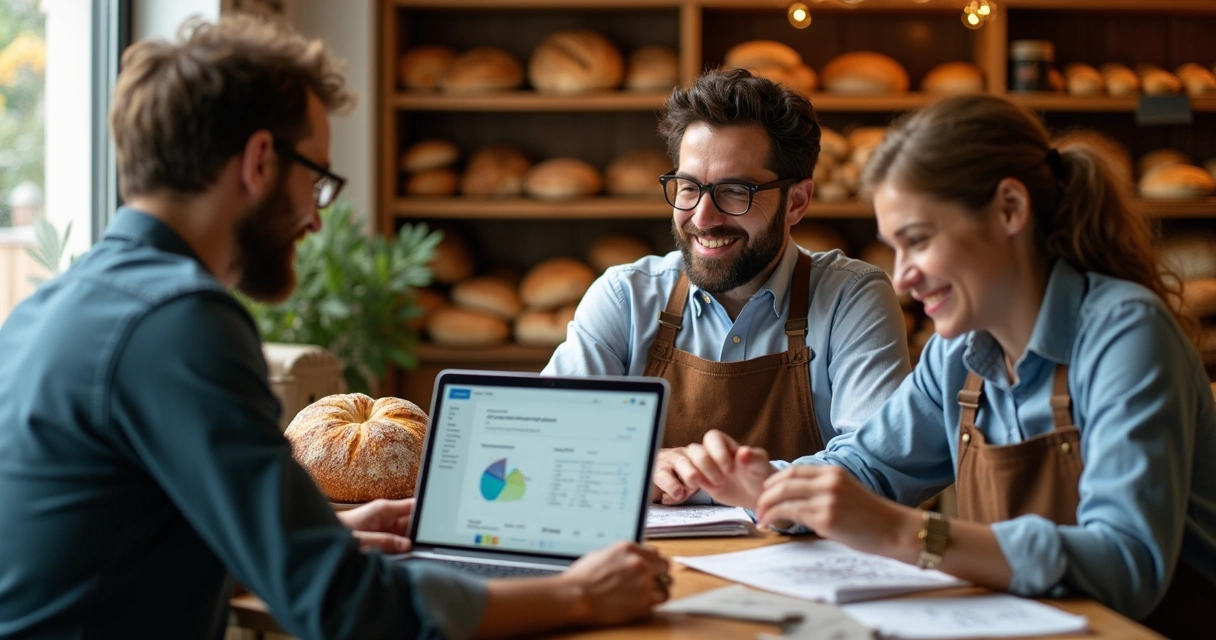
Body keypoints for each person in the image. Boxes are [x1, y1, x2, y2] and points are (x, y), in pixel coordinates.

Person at [0, 15, 669, 640]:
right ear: (260, 162)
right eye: (317, 180)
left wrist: (323, 538)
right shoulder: (178, 322)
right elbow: (345, 606)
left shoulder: (51, 308)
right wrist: (580, 595)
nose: (317, 219)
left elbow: (113, 548)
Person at [676, 93, 1216, 638]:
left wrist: (903, 533)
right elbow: (869, 468)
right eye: (895, 248)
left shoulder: (1126, 333)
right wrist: (768, 485)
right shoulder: (959, 351)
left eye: (918, 241)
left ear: (1010, 209)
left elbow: (1126, 564)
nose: (903, 278)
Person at [542, 68, 911, 505]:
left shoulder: (852, 297)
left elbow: (875, 466)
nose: (703, 218)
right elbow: (547, 438)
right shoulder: (626, 298)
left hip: (795, 549)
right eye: (688, 187)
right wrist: (637, 463)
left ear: (796, 201)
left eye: (735, 191)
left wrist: (702, 482)